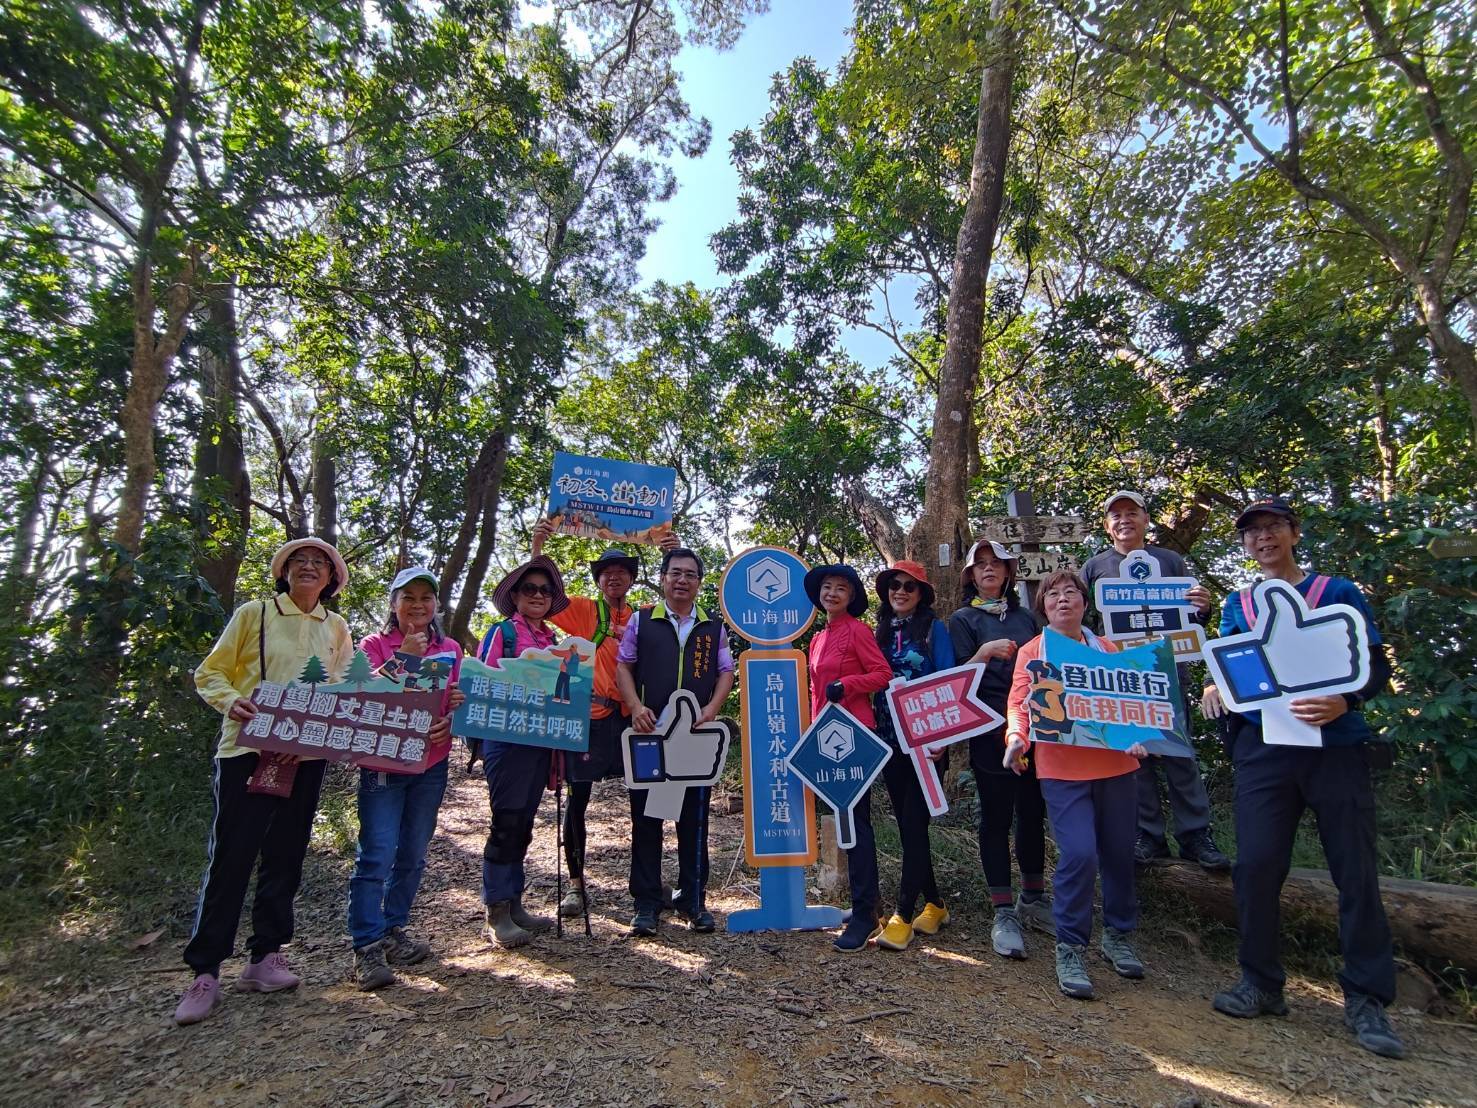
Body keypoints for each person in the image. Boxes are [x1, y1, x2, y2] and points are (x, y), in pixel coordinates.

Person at [1203, 497, 1404, 1059]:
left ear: (1293, 532)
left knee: (1355, 872)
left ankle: (1367, 999)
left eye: (1272, 528)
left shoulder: (1336, 592)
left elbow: (1375, 664)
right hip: (1264, 750)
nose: (1262, 538)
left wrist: (1346, 700)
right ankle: (1262, 983)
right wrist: (1216, 686)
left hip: (1336, 749)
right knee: (1257, 866)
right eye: (1252, 532)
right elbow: (1230, 663)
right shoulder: (1238, 603)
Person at [176, 537, 353, 1025]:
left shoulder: (335, 627)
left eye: (320, 563)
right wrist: (230, 700)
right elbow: (211, 673)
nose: (309, 568)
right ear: (284, 571)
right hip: (246, 751)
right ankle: (205, 971)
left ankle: (266, 955)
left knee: (286, 853)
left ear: (332, 579)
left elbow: (343, 688)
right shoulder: (254, 614)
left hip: (305, 755)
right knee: (232, 855)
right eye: (300, 561)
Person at [1003, 569, 1148, 1000]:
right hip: (1061, 768)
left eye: (1071, 593)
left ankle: (1118, 935)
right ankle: (1070, 945)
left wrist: (1140, 733)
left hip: (1117, 766)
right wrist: (1015, 738)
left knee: (1120, 854)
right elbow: (1019, 701)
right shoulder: (1033, 650)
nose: (1063, 600)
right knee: (1080, 853)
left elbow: (1134, 701)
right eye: (1053, 596)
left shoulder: (1109, 648)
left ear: (1085, 603)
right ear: (1043, 606)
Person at [529, 519, 680, 918]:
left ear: (631, 579)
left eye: (622, 572)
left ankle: (646, 885)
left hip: (633, 722)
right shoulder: (581, 611)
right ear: (599, 580)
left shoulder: (644, 615)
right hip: (589, 719)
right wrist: (538, 545)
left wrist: (671, 552)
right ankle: (576, 885)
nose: (615, 577)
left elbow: (678, 605)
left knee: (645, 802)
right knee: (577, 800)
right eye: (608, 572)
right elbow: (542, 594)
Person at [1080, 490, 1229, 871]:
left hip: (1168, 675)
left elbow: (1190, 622)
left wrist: (1203, 608)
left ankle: (1196, 834)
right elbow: (1085, 626)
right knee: (1136, 757)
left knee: (1180, 753)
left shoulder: (1170, 560)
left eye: (1132, 513)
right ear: (1106, 525)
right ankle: (1149, 835)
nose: (1124, 520)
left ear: (1146, 519)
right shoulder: (1095, 567)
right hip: (1121, 678)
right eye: (1116, 515)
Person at [347, 567, 465, 991]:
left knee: (413, 852)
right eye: (409, 598)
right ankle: (367, 945)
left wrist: (451, 717)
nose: (418, 606)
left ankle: (395, 929)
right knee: (376, 852)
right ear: (394, 604)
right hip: (383, 763)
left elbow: (453, 698)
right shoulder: (373, 645)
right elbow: (361, 695)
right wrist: (404, 659)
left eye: (426, 599)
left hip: (430, 764)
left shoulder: (450, 648)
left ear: (436, 605)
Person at [615, 547, 735, 937]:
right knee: (646, 819)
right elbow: (623, 666)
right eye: (675, 573)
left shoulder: (713, 626)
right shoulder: (641, 620)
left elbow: (725, 672)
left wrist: (712, 709)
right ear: (663, 577)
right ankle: (646, 904)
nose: (682, 580)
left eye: (690, 575)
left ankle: (693, 900)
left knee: (693, 820)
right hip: (650, 737)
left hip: (694, 741)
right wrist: (634, 707)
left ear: (699, 583)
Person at [947, 539, 1045, 959]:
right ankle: (1002, 911)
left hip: (1036, 729)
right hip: (988, 731)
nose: (988, 570)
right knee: (996, 817)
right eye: (980, 565)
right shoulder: (963, 620)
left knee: (1032, 812)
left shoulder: (1029, 618)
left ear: (1008, 572)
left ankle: (1034, 899)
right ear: (971, 575)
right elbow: (950, 680)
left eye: (996, 564)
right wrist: (983, 653)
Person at [799, 564, 896, 952]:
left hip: (856, 733)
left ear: (852, 596)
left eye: (841, 588)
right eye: (827, 587)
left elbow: (882, 674)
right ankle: (862, 907)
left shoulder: (858, 630)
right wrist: (810, 726)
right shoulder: (818, 638)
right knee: (843, 822)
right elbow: (814, 688)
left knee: (856, 822)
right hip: (824, 738)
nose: (833, 593)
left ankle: (864, 912)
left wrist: (848, 685)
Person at [477, 555, 569, 949]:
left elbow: (566, 693)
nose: (537, 595)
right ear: (514, 595)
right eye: (529, 589)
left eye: (545, 590)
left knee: (524, 822)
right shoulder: (502, 634)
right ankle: (496, 910)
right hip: (507, 742)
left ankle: (514, 903)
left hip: (540, 746)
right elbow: (482, 680)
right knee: (507, 820)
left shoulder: (554, 641)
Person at [867, 561, 957, 952]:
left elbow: (949, 682)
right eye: (893, 585)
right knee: (907, 826)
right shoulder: (880, 633)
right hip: (889, 742)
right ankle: (935, 906)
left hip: (926, 745)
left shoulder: (935, 630)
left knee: (915, 824)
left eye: (909, 587)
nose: (900, 591)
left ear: (922, 594)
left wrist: (944, 739)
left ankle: (903, 915)